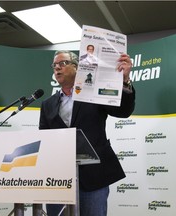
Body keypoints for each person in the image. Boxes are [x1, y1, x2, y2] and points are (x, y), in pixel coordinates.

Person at [39, 51, 135, 216]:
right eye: (54, 66)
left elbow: (123, 111)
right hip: (59, 180)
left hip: (94, 177)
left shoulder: (94, 93)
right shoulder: (47, 104)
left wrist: (124, 81)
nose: (57, 68)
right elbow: (44, 139)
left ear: (76, 67)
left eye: (62, 63)